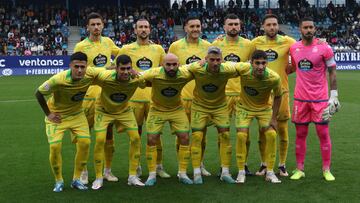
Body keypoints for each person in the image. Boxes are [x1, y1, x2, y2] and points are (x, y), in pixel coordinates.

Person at [35, 52, 102, 192]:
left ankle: (76, 179)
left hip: (77, 115)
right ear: (70, 66)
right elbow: (39, 93)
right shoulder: (59, 79)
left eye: (82, 67)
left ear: (87, 66)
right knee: (55, 147)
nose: (79, 70)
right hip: (58, 116)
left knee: (85, 143)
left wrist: (130, 70)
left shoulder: (90, 74)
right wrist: (49, 114)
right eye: (76, 66)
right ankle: (58, 181)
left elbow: (110, 69)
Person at [116, 18, 169, 178]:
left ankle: (158, 166)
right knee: (135, 135)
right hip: (133, 99)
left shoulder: (158, 49)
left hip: (154, 99)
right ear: (135, 30)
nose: (143, 30)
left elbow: (165, 70)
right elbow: (117, 69)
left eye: (146, 27)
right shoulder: (126, 48)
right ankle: (137, 166)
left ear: (150, 29)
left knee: (156, 135)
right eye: (140, 27)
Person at [288, 17, 340, 181]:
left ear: (315, 29)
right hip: (300, 99)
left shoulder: (325, 48)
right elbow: (291, 68)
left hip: (320, 99)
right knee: (300, 133)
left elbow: (332, 71)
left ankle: (326, 169)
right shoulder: (294, 48)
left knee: (323, 133)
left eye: (311, 27)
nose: (308, 30)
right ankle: (299, 169)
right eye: (305, 27)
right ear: (300, 29)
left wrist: (334, 95)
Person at [74, 12, 121, 184]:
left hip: (105, 94)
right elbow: (77, 70)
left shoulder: (108, 42)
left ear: (103, 25)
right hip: (87, 95)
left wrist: (114, 66)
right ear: (87, 27)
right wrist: (107, 69)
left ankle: (107, 170)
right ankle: (84, 170)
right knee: (84, 135)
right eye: (92, 24)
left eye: (98, 24)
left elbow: (123, 56)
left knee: (108, 134)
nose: (96, 27)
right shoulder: (80, 46)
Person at [91, 54, 146, 190]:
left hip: (124, 110)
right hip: (103, 110)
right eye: (122, 69)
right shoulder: (105, 77)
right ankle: (99, 177)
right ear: (116, 68)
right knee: (99, 140)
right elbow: (88, 73)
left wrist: (138, 75)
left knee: (136, 138)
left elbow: (146, 83)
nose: (126, 72)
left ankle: (132, 176)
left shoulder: (136, 79)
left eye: (128, 68)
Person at [251, 14, 296, 176]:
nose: (272, 27)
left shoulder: (288, 42)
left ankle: (282, 164)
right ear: (263, 26)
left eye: (274, 24)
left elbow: (301, 54)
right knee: (263, 130)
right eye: (268, 24)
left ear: (278, 26)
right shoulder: (255, 43)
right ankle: (264, 164)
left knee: (282, 129)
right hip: (262, 94)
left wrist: (285, 73)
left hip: (281, 92)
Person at [212, 13, 255, 176]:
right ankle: (224, 166)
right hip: (222, 94)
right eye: (230, 24)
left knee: (244, 133)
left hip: (243, 95)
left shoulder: (249, 45)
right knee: (222, 133)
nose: (233, 27)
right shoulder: (216, 44)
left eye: (236, 24)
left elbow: (253, 67)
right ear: (224, 27)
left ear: (240, 26)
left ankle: (243, 165)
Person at [168, 16, 212, 176]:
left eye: (198, 26)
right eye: (192, 26)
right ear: (185, 28)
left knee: (202, 135)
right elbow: (169, 69)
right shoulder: (175, 46)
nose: (195, 29)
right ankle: (183, 166)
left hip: (201, 99)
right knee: (182, 134)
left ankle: (199, 164)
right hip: (182, 97)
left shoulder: (208, 46)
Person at [143, 54, 194, 186]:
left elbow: (198, 69)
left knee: (185, 137)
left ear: (179, 65)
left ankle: (182, 173)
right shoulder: (153, 73)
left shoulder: (184, 74)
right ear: (162, 65)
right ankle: (152, 174)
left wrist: (204, 61)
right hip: (157, 110)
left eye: (174, 65)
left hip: (176, 109)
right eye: (168, 65)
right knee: (151, 139)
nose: (171, 67)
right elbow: (138, 77)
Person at [188, 46, 237, 184]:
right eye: (212, 60)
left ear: (222, 60)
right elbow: (180, 69)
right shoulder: (196, 68)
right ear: (206, 59)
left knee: (225, 136)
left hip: (220, 107)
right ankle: (197, 172)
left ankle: (225, 172)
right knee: (197, 137)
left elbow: (243, 67)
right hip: (199, 106)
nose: (215, 63)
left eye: (218, 60)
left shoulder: (227, 69)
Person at [234, 50, 282, 184]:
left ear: (267, 63)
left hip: (264, 109)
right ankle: (241, 171)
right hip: (244, 107)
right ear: (251, 63)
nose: (260, 66)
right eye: (257, 63)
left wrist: (274, 118)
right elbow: (226, 66)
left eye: (263, 63)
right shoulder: (243, 69)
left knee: (272, 135)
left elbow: (278, 96)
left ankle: (270, 172)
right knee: (241, 136)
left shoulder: (273, 77)